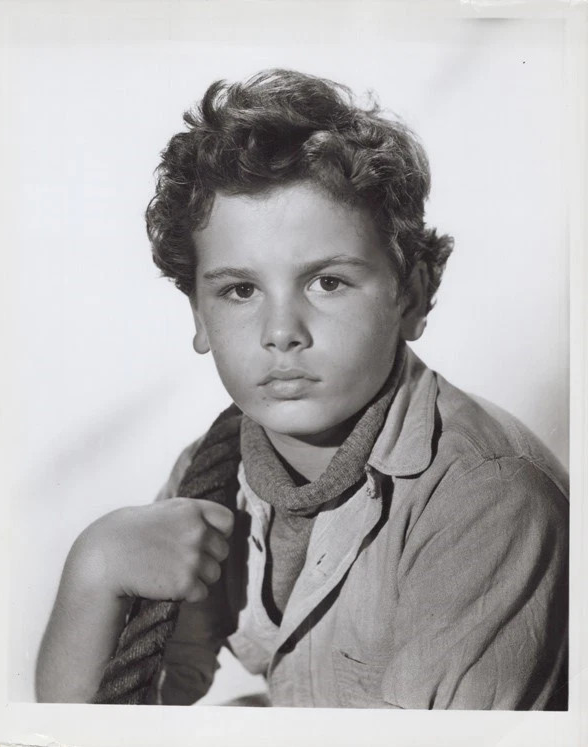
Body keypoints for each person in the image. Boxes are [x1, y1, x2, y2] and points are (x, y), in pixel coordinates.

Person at [35, 69, 568, 709]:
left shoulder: (485, 498)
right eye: (240, 290)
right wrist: (93, 574)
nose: (281, 332)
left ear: (412, 295)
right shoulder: (212, 471)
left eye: (327, 283)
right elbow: (109, 721)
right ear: (199, 317)